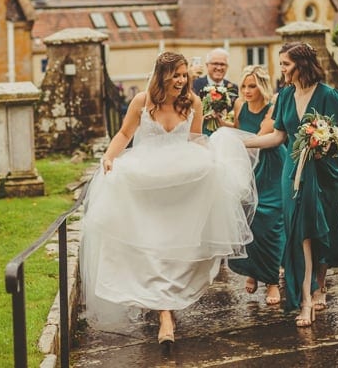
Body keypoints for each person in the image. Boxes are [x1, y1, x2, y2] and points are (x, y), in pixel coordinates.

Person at [80, 51, 257, 349]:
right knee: (153, 249)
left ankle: (166, 311)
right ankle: (164, 314)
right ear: (162, 75)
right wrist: (110, 157)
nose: (181, 80)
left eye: (184, 74)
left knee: (176, 252)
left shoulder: (193, 102)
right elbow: (124, 134)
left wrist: (211, 163)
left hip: (180, 186)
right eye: (176, 75)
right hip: (146, 183)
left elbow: (197, 139)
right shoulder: (141, 101)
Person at [243, 42, 338, 327]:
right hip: (293, 173)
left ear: (301, 64)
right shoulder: (284, 96)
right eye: (280, 64)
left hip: (325, 171)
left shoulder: (329, 95)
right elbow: (279, 136)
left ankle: (320, 283)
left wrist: (326, 144)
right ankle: (306, 299)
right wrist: (245, 142)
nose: (281, 70)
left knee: (322, 228)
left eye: (285, 64)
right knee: (298, 233)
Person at [227, 65, 288, 306]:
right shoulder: (239, 105)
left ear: (261, 85)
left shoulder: (272, 107)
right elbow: (237, 130)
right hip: (247, 165)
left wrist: (235, 143)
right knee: (248, 217)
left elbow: (263, 135)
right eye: (243, 86)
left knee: (271, 220)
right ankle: (253, 271)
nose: (247, 90)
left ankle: (272, 281)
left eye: (252, 85)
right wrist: (221, 125)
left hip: (271, 164)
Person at [190, 48, 239, 135]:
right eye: (215, 63)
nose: (219, 68)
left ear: (227, 67)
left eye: (222, 64)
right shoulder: (194, 85)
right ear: (207, 65)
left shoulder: (234, 89)